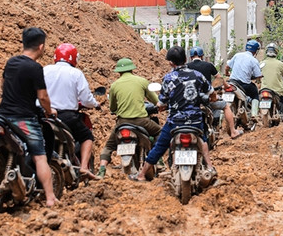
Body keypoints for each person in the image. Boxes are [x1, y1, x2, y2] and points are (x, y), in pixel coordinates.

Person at [131, 46, 216, 181]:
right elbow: (212, 94)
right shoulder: (197, 75)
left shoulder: (168, 78)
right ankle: (210, 167)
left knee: (159, 147)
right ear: (186, 59)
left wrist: (160, 106)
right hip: (194, 120)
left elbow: (162, 102)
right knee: (203, 140)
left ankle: (141, 174)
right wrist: (209, 100)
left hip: (175, 122)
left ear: (171, 62)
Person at [0, 27, 58, 207]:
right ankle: (49, 198)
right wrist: (49, 111)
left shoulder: (11, 62)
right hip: (24, 119)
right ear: (41, 46)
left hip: (2, 117)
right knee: (39, 157)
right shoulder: (35, 68)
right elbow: (42, 97)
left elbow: (3, 84)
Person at [97, 58, 161, 178]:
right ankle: (159, 161)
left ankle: (101, 169)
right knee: (160, 133)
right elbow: (155, 101)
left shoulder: (114, 85)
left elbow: (112, 107)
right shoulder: (142, 81)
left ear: (119, 71)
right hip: (142, 121)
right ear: (132, 69)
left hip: (122, 122)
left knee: (109, 146)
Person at [44, 43, 100, 180]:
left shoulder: (44, 70)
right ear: (74, 58)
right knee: (87, 137)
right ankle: (84, 167)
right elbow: (86, 99)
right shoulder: (76, 73)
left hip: (45, 115)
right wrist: (96, 104)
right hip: (67, 117)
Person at [186, 47, 243, 139]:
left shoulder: (187, 67)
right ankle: (233, 132)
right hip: (207, 99)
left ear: (191, 57)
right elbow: (219, 78)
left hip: (191, 100)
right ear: (202, 56)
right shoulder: (209, 65)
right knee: (225, 106)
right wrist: (227, 86)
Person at [260, 43, 283, 125]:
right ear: (276, 52)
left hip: (264, 89)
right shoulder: (280, 64)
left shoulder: (262, 63)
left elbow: (258, 76)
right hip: (277, 90)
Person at [225, 40, 262, 119]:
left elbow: (227, 67)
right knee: (255, 93)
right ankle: (254, 114)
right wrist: (256, 78)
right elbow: (258, 75)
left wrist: (227, 73)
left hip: (232, 82)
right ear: (256, 51)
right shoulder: (254, 60)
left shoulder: (237, 55)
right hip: (244, 85)